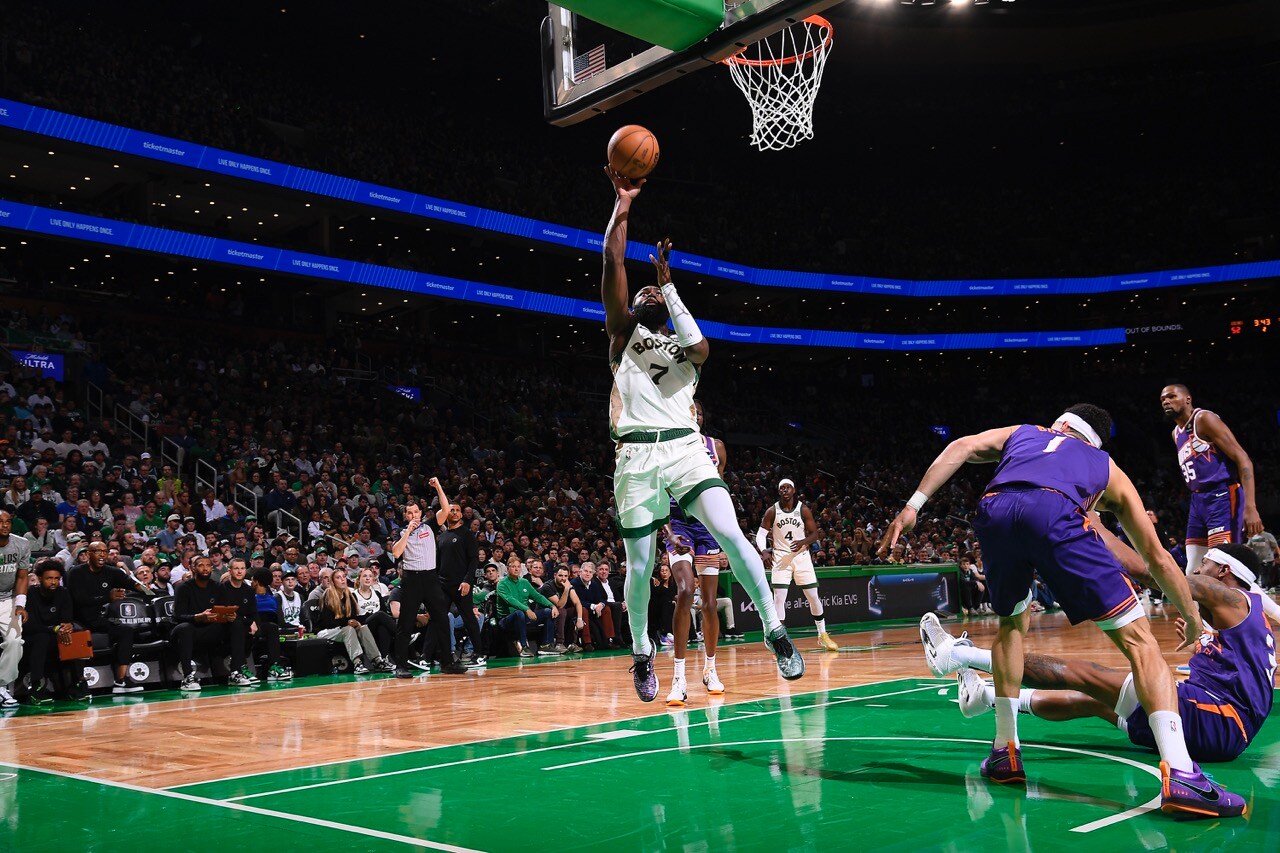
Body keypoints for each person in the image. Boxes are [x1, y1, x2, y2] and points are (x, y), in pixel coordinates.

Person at [881, 403, 1243, 818]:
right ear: (1094, 439)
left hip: (995, 509)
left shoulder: (1025, 431)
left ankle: (1005, 752)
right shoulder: (1105, 465)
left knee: (1011, 627)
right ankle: (1182, 776)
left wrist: (913, 506)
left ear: (1061, 424)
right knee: (1141, 643)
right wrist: (1194, 621)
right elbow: (1159, 561)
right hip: (1055, 515)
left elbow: (962, 446)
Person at [600, 168, 801, 702]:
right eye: (643, 291)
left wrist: (667, 283)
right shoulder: (622, 335)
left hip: (685, 447)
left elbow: (701, 345)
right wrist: (622, 208)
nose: (644, 292)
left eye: (653, 293)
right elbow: (612, 262)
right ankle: (643, 652)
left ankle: (775, 632)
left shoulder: (683, 352)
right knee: (640, 565)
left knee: (732, 533)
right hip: (637, 455)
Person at [923, 541, 1275, 766]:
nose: (1198, 571)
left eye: (1205, 567)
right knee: (1088, 698)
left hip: (1217, 720)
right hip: (1223, 730)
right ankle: (983, 696)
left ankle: (957, 654)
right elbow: (1239, 673)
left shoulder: (1234, 598)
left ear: (1224, 572)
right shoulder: (1248, 616)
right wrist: (1204, 643)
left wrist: (1092, 528)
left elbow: (1151, 573)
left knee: (1083, 673)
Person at [662, 399, 729, 703]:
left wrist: (725, 536)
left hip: (706, 528)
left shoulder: (716, 447)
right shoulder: (665, 448)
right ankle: (678, 677)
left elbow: (719, 494)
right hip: (678, 524)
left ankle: (710, 669)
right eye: (690, 412)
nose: (695, 416)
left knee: (711, 604)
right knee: (686, 590)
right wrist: (667, 533)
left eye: (699, 412)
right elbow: (657, 498)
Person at [1161, 384, 1265, 575]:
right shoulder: (1176, 434)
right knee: (1193, 571)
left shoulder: (1204, 419)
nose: (1166, 401)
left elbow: (1243, 459)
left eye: (1171, 396)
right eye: (1163, 400)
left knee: (1222, 567)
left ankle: (1269, 606)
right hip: (1198, 501)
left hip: (1222, 495)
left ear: (1187, 399)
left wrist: (1250, 506)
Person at [389, 493, 467, 678]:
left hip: (431, 578)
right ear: (405, 516)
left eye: (416, 512)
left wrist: (438, 486)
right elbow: (397, 553)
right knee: (406, 623)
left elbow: (446, 509)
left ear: (421, 512)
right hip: (412, 579)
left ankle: (447, 662)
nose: (413, 515)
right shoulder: (400, 532)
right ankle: (401, 665)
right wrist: (408, 531)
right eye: (409, 513)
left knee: (442, 619)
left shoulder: (430, 525)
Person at [758, 479, 838, 652]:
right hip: (780, 557)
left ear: (794, 490)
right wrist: (764, 551)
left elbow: (815, 534)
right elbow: (760, 534)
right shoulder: (772, 511)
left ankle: (822, 635)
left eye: (788, 487)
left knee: (813, 596)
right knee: (779, 598)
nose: (785, 490)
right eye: (781, 488)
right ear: (779, 492)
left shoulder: (803, 509)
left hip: (801, 557)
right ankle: (781, 640)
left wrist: (803, 541)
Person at [66, 541, 152, 695]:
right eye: (97, 551)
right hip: (77, 620)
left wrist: (148, 591)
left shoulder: (112, 572)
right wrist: (107, 597)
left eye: (105, 551)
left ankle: (121, 680)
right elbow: (78, 599)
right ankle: (78, 683)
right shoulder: (76, 572)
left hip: (99, 620)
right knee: (76, 635)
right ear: (88, 554)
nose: (102, 554)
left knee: (126, 630)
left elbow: (133, 584)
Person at [21, 559, 91, 704]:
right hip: (32, 638)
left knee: (75, 635)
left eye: (56, 579)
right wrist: (54, 628)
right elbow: (30, 625)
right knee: (42, 637)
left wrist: (67, 627)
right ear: (40, 579)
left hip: (56, 636)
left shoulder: (63, 593)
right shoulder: (31, 594)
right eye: (49, 578)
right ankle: (37, 688)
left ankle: (77, 683)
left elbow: (67, 618)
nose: (53, 582)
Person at [430, 477, 484, 666]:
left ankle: (478, 653)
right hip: (443, 585)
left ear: (462, 514)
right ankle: (431, 655)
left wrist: (468, 581)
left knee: (469, 619)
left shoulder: (467, 534)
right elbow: (438, 562)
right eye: (450, 510)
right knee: (438, 619)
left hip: (461, 584)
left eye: (457, 510)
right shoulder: (442, 536)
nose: (453, 512)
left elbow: (474, 559)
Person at [171, 555, 241, 692]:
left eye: (208, 565)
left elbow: (226, 609)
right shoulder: (183, 588)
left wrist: (230, 616)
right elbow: (177, 616)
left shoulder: (218, 587)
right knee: (184, 628)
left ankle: (236, 672)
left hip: (211, 630)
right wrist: (198, 617)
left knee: (237, 624)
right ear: (192, 568)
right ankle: (187, 678)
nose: (205, 568)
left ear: (212, 568)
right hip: (191, 630)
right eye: (201, 565)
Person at [312, 569, 393, 674]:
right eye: (338, 578)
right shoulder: (328, 595)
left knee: (362, 628)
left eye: (344, 577)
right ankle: (357, 663)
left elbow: (353, 616)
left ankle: (377, 660)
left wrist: (355, 623)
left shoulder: (348, 595)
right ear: (333, 581)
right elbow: (327, 621)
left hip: (341, 629)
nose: (342, 580)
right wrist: (347, 623)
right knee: (349, 629)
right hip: (325, 631)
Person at [0, 510, 33, 707]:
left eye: (8, 522)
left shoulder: (21, 543)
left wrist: (20, 604)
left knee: (15, 641)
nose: (4, 525)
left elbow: (22, 577)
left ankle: (1, 686)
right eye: (0, 522)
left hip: (7, 599)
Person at [495, 557, 558, 657]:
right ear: (507, 569)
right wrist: (526, 609)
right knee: (519, 613)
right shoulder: (502, 584)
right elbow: (510, 600)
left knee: (548, 611)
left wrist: (552, 605)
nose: (516, 569)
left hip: (524, 616)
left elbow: (537, 596)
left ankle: (546, 645)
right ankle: (524, 646)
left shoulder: (524, 582)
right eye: (513, 567)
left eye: (518, 567)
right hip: (507, 619)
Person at [352, 567, 396, 662]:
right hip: (363, 626)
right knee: (379, 614)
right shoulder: (353, 595)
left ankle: (383, 660)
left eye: (370, 576)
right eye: (364, 576)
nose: (368, 578)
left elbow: (384, 612)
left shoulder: (377, 594)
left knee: (383, 628)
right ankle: (401, 635)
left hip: (377, 624)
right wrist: (370, 616)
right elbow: (354, 617)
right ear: (359, 579)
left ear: (373, 579)